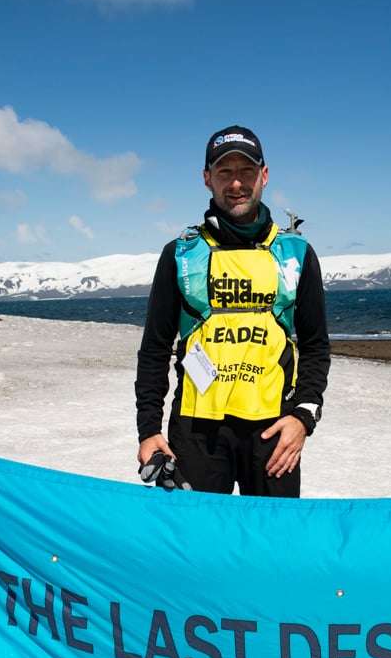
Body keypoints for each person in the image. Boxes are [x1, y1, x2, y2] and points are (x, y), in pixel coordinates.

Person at [135, 125, 330, 497]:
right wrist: (149, 429)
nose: (236, 183)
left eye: (246, 172)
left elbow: (316, 346)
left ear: (264, 176)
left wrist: (303, 418)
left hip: (273, 433)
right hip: (196, 434)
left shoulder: (296, 254)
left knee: (271, 547)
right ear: (207, 178)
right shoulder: (179, 255)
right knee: (197, 547)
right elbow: (155, 350)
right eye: (225, 172)